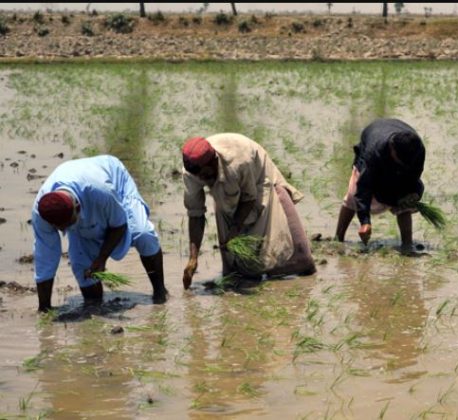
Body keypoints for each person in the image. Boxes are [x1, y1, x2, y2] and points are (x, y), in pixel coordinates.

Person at [32, 155, 167, 312]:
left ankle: (160, 293)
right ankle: (95, 306)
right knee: (82, 266)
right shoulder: (41, 212)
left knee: (143, 234)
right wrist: (44, 308)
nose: (64, 231)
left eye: (68, 225)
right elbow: (45, 257)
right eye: (60, 228)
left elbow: (120, 224)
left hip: (115, 181)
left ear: (77, 207)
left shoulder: (100, 191)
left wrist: (101, 258)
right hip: (80, 199)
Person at [181, 133, 316, 289]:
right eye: (200, 178)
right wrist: (193, 259)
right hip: (227, 187)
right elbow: (195, 214)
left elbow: (249, 198)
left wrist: (235, 229)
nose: (204, 180)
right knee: (236, 271)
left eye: (206, 175)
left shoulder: (239, 161)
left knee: (293, 257)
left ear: (214, 162)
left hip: (257, 176)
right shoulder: (190, 173)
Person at [334, 118, 426, 250]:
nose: (404, 165)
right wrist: (365, 222)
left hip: (393, 131)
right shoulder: (373, 153)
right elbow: (364, 188)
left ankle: (407, 244)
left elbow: (414, 178)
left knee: (404, 199)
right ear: (392, 149)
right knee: (353, 194)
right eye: (401, 162)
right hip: (372, 138)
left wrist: (414, 194)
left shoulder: (417, 151)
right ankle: (338, 239)